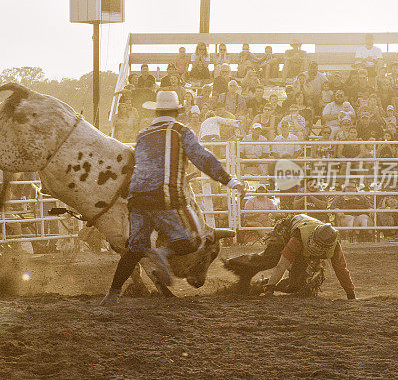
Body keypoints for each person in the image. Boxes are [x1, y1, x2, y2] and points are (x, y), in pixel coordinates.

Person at [100, 91, 245, 306]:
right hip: (166, 197)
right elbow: (202, 158)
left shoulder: (143, 134)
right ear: (176, 112)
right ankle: (162, 253)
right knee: (197, 238)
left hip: (137, 198)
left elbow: (141, 165)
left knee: (135, 248)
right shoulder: (181, 132)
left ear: (156, 111)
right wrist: (229, 181)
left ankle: (112, 294)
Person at [222, 214, 355, 299]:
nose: (315, 247)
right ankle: (235, 262)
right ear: (312, 237)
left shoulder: (335, 247)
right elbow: (282, 264)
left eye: (319, 246)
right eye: (314, 243)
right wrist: (270, 291)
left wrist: (350, 293)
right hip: (287, 228)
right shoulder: (299, 237)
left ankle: (262, 284)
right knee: (271, 259)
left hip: (301, 238)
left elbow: (341, 269)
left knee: (300, 284)